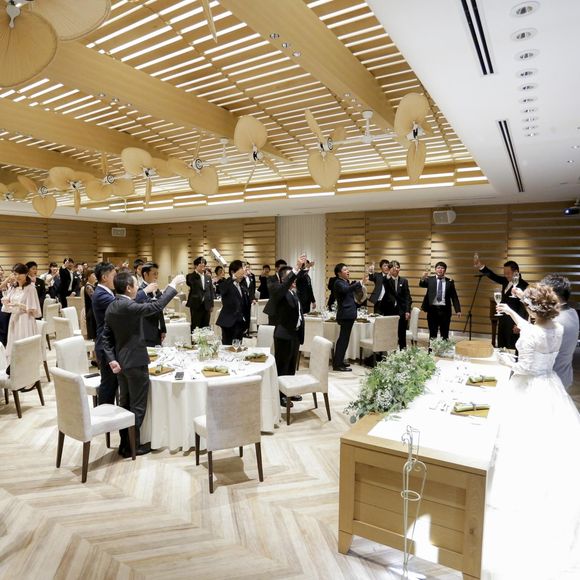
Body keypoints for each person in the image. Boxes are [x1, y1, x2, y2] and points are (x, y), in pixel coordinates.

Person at [483, 284, 580, 579]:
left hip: (526, 387)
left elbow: (524, 366)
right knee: (546, 443)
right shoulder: (557, 328)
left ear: (532, 309)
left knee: (516, 442)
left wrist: (503, 359)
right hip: (550, 385)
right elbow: (535, 331)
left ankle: (516, 489)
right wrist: (511, 311)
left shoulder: (530, 334)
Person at [102, 272, 184, 457]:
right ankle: (134, 446)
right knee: (137, 407)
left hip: (121, 362)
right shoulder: (128, 305)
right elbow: (157, 306)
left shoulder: (112, 305)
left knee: (125, 404)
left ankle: (125, 445)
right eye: (136, 285)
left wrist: (112, 359)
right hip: (135, 362)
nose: (138, 288)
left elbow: (106, 337)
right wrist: (172, 285)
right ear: (128, 288)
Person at [269, 257, 307, 406]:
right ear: (283, 279)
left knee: (291, 366)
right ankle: (280, 395)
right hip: (284, 334)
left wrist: (304, 268)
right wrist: (295, 269)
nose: (294, 278)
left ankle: (289, 390)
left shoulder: (293, 292)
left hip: (295, 334)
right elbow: (282, 287)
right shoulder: (278, 291)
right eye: (291, 276)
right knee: (282, 366)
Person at [474, 257, 528, 349]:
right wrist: (481, 267)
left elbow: (523, 307)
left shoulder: (523, 285)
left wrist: (519, 325)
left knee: (511, 347)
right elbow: (493, 276)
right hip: (503, 320)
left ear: (516, 272)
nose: (506, 275)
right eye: (504, 273)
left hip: (513, 322)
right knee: (501, 346)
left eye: (508, 273)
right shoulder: (506, 281)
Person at [541, 274, 578, 390]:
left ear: (553, 295)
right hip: (565, 375)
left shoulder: (556, 321)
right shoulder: (573, 312)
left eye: (544, 293)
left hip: (551, 382)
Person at [1, 263, 41, 367]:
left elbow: (34, 309)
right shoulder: (13, 288)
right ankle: (16, 369)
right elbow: (8, 308)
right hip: (14, 319)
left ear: (26, 274)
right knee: (14, 344)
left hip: (26, 320)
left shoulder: (31, 288)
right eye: (15, 274)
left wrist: (19, 305)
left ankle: (28, 369)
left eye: (19, 274)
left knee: (24, 345)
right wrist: (6, 303)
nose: (17, 276)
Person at [332, 263, 367, 371]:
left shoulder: (345, 282)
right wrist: (359, 282)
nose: (348, 271)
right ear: (339, 273)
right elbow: (346, 290)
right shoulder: (338, 282)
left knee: (344, 339)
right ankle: (337, 364)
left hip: (348, 314)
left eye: (348, 269)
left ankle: (339, 361)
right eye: (345, 269)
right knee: (343, 340)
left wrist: (361, 284)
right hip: (345, 315)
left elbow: (351, 292)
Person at [92, 262, 118, 405]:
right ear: (104, 277)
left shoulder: (106, 292)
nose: (116, 279)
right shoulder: (101, 294)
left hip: (108, 343)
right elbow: (120, 305)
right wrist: (142, 292)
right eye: (114, 275)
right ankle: (103, 415)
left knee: (112, 384)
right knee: (108, 386)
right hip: (105, 345)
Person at [419, 261, 461, 340]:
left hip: (445, 311)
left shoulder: (449, 282)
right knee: (432, 334)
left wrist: (458, 310)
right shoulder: (430, 279)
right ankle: (431, 348)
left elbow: (454, 297)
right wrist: (423, 277)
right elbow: (421, 284)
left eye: (442, 268)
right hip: (432, 310)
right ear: (435, 269)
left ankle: (444, 348)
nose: (440, 270)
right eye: (438, 268)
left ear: (445, 270)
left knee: (445, 334)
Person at [216, 260, 249, 345]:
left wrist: (246, 323)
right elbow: (221, 289)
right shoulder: (227, 284)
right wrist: (232, 278)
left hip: (240, 323)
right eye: (240, 274)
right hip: (229, 323)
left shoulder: (241, 285)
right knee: (227, 348)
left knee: (237, 347)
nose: (241, 276)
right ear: (233, 272)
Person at [135, 262, 166, 347]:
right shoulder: (141, 291)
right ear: (145, 274)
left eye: (157, 274)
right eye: (154, 274)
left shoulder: (156, 289)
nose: (156, 276)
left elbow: (160, 310)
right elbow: (150, 309)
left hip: (157, 330)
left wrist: (163, 329)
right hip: (147, 331)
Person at [382, 260, 412, 349]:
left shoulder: (404, 281)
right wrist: (389, 274)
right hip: (389, 310)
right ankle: (389, 353)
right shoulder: (387, 280)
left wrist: (407, 311)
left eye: (398, 267)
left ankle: (403, 353)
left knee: (402, 334)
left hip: (401, 310)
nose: (396, 269)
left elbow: (407, 297)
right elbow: (385, 283)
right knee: (389, 334)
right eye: (394, 267)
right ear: (390, 269)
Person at [186, 256, 214, 331]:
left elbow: (211, 291)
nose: (203, 265)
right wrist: (196, 272)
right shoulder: (191, 276)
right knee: (196, 326)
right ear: (196, 265)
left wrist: (211, 304)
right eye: (201, 264)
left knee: (206, 326)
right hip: (196, 305)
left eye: (204, 264)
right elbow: (190, 283)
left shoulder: (208, 277)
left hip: (206, 305)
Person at [264, 259, 287, 325]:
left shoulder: (287, 279)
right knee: (273, 328)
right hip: (274, 309)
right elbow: (272, 289)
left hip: (284, 310)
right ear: (276, 269)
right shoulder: (270, 278)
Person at [83, 269, 97, 341]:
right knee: (94, 336)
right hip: (91, 312)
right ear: (88, 276)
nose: (95, 276)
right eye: (93, 275)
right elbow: (94, 299)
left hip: (92, 311)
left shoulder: (93, 286)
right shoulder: (88, 287)